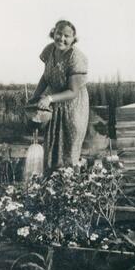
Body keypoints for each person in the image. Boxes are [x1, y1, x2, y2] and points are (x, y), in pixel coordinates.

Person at [29, 20, 89, 173]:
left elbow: (73, 91)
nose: (61, 38)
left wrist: (49, 99)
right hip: (55, 103)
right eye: (58, 34)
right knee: (52, 146)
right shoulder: (50, 50)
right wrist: (36, 96)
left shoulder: (76, 58)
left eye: (66, 36)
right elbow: (46, 76)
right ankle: (52, 188)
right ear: (53, 34)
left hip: (73, 106)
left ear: (73, 39)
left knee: (69, 149)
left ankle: (72, 188)